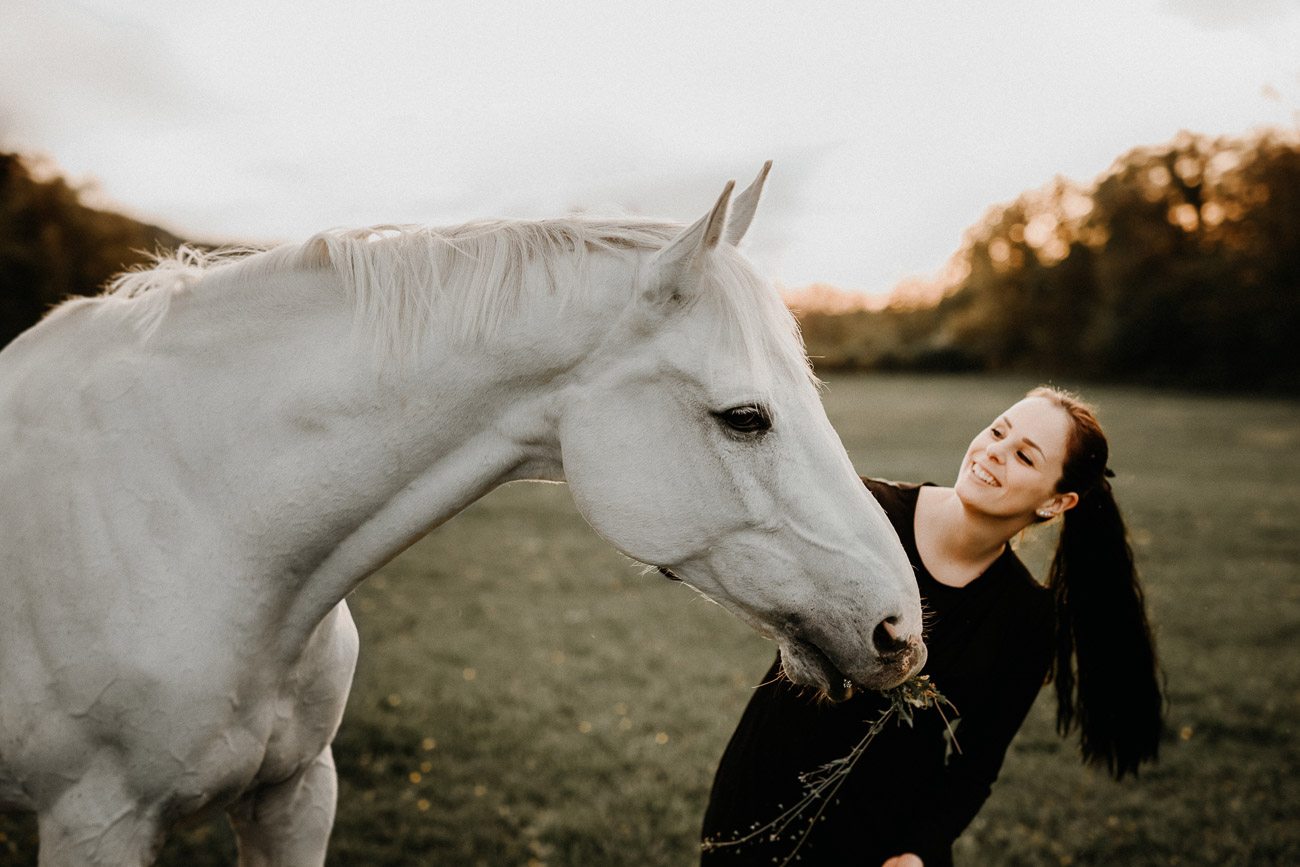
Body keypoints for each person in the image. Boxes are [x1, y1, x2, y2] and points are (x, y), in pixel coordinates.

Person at [700, 386, 1164, 867]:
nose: (994, 452)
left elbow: (977, 763)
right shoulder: (863, 515)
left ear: (1057, 502)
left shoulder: (1026, 619)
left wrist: (919, 850)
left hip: (885, 838)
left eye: (1024, 457)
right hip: (760, 796)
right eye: (998, 431)